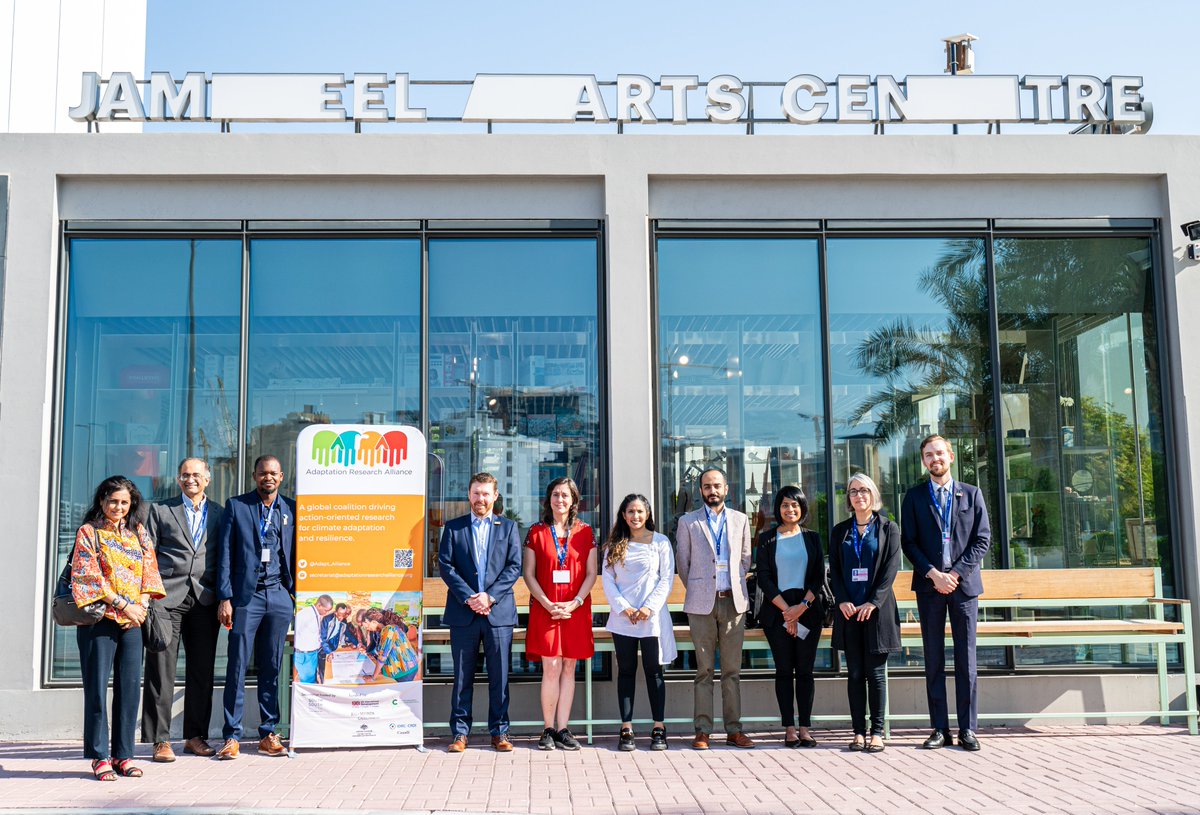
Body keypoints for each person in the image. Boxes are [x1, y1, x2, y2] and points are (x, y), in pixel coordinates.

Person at [70, 475, 166, 781]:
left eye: (124, 502)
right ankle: (99, 756)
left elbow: (150, 572)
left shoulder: (138, 532)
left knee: (129, 691)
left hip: (133, 622)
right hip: (100, 621)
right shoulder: (89, 532)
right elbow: (88, 578)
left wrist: (142, 607)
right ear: (102, 501)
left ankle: (123, 756)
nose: (118, 507)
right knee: (97, 690)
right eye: (113, 501)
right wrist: (125, 606)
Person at [901, 434, 992, 752]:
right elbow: (908, 542)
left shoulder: (971, 494)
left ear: (951, 456)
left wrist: (954, 574)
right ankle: (939, 728)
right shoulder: (913, 497)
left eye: (939, 452)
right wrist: (934, 574)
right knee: (934, 658)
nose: (934, 458)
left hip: (963, 587)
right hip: (929, 586)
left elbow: (982, 539)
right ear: (923, 461)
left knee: (967, 659)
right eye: (928, 454)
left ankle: (968, 728)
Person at [141, 457, 225, 762]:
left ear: (208, 478)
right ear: (178, 479)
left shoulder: (219, 513)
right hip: (166, 600)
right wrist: (149, 596)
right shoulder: (160, 510)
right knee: (160, 672)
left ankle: (195, 737)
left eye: (196, 475)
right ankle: (160, 740)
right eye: (185, 475)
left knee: (202, 672)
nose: (191, 479)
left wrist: (224, 596)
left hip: (205, 599)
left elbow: (223, 557)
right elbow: (146, 554)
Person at [214, 454, 296, 759]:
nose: (268, 478)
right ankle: (231, 736)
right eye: (263, 473)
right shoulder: (237, 506)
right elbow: (224, 555)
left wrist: (294, 595)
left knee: (271, 666)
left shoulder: (290, 508)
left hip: (278, 596)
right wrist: (225, 597)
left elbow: (298, 552)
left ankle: (268, 733)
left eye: (273, 473)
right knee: (236, 665)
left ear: (281, 476)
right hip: (246, 599)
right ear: (254, 475)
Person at [438, 472, 522, 752]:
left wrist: (490, 596)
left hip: (498, 613)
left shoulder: (508, 527)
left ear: (495, 496)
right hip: (465, 613)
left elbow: (514, 566)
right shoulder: (454, 528)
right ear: (469, 494)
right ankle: (460, 733)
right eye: (476, 493)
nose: (481, 499)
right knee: (462, 677)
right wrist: (470, 597)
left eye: (486, 493)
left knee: (499, 677)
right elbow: (446, 566)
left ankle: (500, 732)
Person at [675, 467, 754, 749]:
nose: (712, 491)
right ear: (700, 491)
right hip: (700, 604)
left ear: (726, 489)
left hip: (733, 602)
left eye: (717, 485)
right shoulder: (688, 522)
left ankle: (734, 729)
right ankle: (703, 730)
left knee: (732, 670)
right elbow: (682, 564)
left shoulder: (740, 520)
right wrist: (700, 586)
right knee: (704, 670)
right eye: (707, 486)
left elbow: (745, 560)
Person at [523, 477, 597, 751]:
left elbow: (591, 573)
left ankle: (564, 728)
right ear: (549, 499)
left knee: (569, 666)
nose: (560, 500)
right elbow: (528, 574)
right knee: (551, 667)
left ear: (574, 500)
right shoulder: (536, 531)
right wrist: (545, 602)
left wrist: (575, 602)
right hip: (546, 609)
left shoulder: (586, 532)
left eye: (565, 495)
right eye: (555, 495)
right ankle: (548, 728)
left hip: (575, 609)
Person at [829, 474, 901, 753]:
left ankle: (877, 732)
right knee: (855, 673)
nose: (859, 495)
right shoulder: (840, 531)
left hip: (876, 611)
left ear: (873, 495)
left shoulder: (888, 528)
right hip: (848, 612)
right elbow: (834, 570)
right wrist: (843, 600)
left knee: (876, 674)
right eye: (853, 491)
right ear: (848, 498)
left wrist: (873, 602)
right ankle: (858, 732)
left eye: (864, 490)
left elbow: (890, 570)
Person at [601, 494, 676, 751]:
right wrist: (625, 608)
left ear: (648, 514)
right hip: (623, 620)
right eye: (630, 511)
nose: (635, 516)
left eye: (640, 511)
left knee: (654, 672)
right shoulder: (615, 544)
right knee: (626, 671)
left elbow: (666, 579)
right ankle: (626, 727)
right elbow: (607, 580)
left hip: (652, 619)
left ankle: (659, 726)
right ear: (623, 515)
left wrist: (647, 608)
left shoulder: (661, 542)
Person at [754, 485, 826, 748]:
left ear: (802, 508)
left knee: (805, 671)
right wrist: (787, 611)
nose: (790, 509)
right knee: (784, 670)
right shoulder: (767, 538)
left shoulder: (813, 538)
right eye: (785, 505)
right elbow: (763, 576)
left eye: (795, 505)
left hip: (808, 611)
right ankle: (789, 728)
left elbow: (819, 576)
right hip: (777, 613)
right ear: (778, 509)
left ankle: (805, 727)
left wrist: (801, 608)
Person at [362, 608, 421, 682]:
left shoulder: (389, 630)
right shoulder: (381, 631)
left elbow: (383, 657)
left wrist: (373, 677)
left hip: (405, 669)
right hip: (403, 667)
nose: (367, 628)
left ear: (374, 622)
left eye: (367, 624)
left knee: (402, 691)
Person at [293, 595, 334, 683]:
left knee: (313, 681)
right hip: (305, 655)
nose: (326, 613)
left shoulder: (315, 613)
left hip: (312, 654)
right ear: (319, 605)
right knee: (309, 684)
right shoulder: (305, 615)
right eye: (326, 610)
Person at [319, 602, 351, 680]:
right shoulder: (327, 619)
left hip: (333, 647)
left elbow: (348, 633)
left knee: (332, 671)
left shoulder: (344, 620)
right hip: (322, 648)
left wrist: (358, 643)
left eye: (344, 615)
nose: (341, 617)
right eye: (340, 614)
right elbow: (322, 638)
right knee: (324, 670)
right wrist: (329, 652)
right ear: (336, 612)